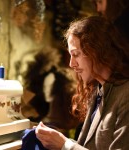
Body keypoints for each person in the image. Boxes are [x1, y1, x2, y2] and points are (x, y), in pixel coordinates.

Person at [35, 16, 129, 150]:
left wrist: (65, 145)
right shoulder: (97, 90)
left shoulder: (126, 95)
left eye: (76, 54)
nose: (71, 64)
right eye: (70, 55)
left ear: (97, 51)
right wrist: (55, 139)